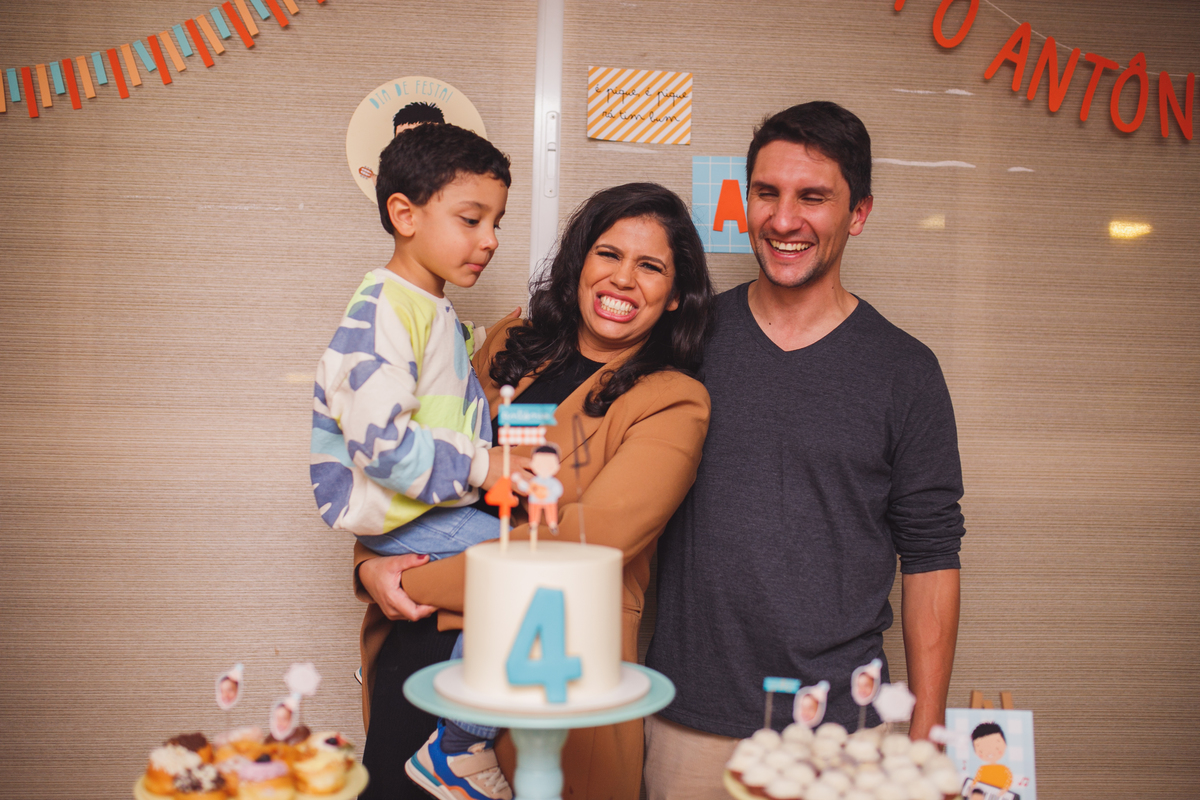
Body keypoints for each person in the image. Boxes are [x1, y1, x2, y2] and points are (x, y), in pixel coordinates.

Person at [643, 101, 965, 800]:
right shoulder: (684, 342)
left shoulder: (906, 371)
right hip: (685, 719)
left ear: (859, 213)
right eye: (767, 193)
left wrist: (928, 735)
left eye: (812, 197)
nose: (783, 220)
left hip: (843, 729)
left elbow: (932, 553)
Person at [353, 182, 715, 800]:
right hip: (416, 657)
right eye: (608, 254)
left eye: (650, 266)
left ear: (676, 295)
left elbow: (580, 545)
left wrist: (406, 581)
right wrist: (368, 568)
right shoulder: (510, 343)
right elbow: (417, 464)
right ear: (580, 261)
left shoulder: (671, 402)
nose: (623, 279)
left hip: (545, 682)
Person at [310, 123, 520, 799]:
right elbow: (386, 447)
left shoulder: (426, 306)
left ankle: (457, 738)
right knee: (528, 569)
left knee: (520, 569)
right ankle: (457, 746)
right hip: (406, 509)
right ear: (404, 214)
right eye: (470, 219)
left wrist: (500, 333)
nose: (488, 239)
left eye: (496, 222)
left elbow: (444, 371)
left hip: (422, 510)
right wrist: (487, 465)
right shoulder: (382, 313)